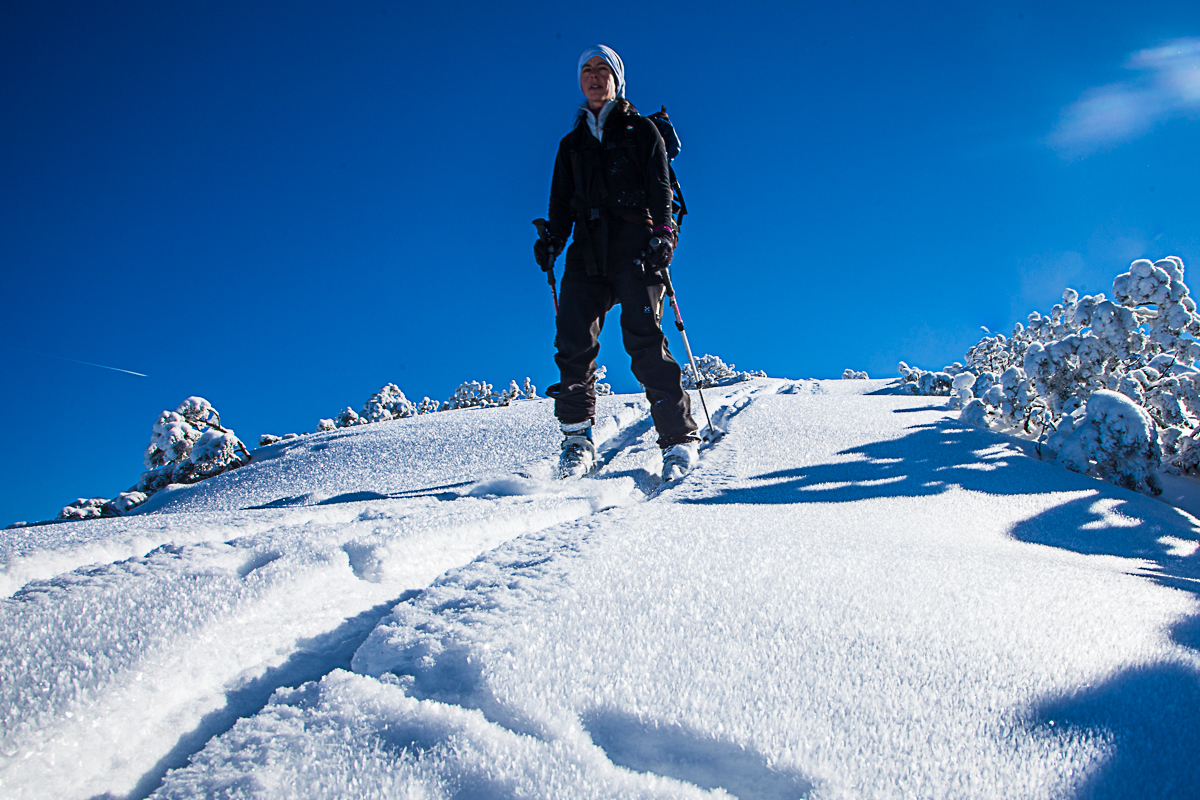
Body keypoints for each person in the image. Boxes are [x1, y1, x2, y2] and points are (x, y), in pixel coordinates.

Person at [534, 44, 700, 481]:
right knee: (573, 342)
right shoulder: (571, 144)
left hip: (635, 243)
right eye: (586, 69)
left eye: (602, 69)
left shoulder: (640, 130)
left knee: (644, 339)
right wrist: (553, 239)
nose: (593, 76)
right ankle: (576, 440)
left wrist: (664, 235)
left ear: (617, 79)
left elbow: (660, 188)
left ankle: (678, 441)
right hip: (586, 249)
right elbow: (560, 204)